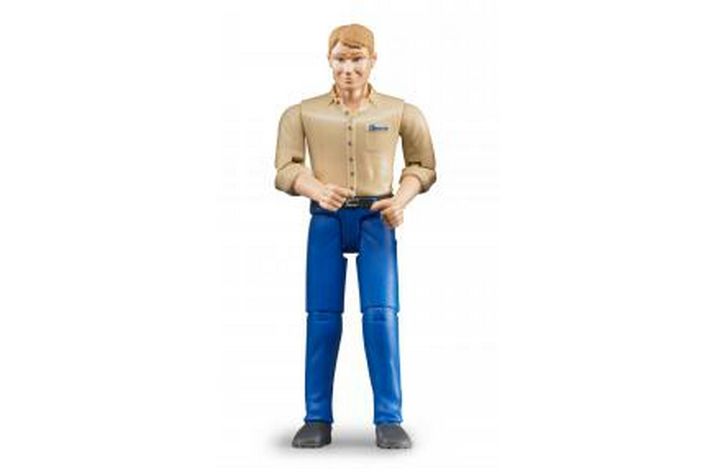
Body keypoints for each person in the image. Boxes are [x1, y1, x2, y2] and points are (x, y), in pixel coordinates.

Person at [274, 23, 436, 449]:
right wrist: (315, 189)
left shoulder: (400, 112)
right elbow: (286, 168)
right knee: (322, 318)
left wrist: (401, 200)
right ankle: (316, 417)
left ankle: (389, 417)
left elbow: (423, 165)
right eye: (340, 59)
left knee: (382, 316)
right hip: (326, 219)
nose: (348, 68)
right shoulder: (302, 113)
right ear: (329, 60)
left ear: (373, 60)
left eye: (357, 59)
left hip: (376, 220)